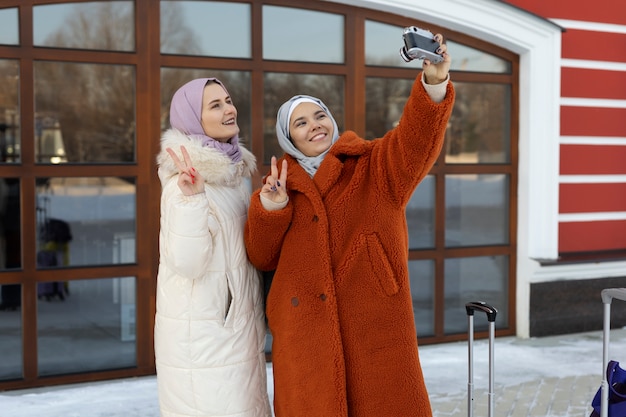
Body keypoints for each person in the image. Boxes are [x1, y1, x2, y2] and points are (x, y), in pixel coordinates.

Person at [245, 33, 455, 416]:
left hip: (373, 328)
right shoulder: (279, 185)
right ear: (288, 138)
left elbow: (416, 139)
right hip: (303, 338)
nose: (315, 126)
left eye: (320, 115)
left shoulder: (373, 165)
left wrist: (434, 83)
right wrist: (271, 208)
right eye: (301, 123)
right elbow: (261, 256)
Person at [155, 78, 271, 417]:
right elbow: (188, 263)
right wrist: (192, 202)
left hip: (235, 335)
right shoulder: (185, 184)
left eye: (228, 100)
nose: (229, 109)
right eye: (215, 105)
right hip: (203, 345)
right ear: (193, 118)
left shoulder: (233, 176)